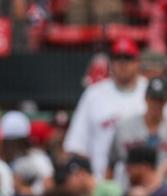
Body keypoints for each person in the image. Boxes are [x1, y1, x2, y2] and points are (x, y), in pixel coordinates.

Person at [65, 38, 155, 180]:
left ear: (138, 62)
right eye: (117, 58)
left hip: (144, 187)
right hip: (101, 183)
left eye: (128, 58)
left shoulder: (152, 91)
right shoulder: (93, 94)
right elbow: (77, 146)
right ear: (111, 63)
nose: (122, 63)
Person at [110, 77, 167, 187]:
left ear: (166, 101)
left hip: (165, 192)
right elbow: (111, 164)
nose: (156, 104)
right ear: (146, 98)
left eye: (160, 100)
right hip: (129, 191)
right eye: (153, 99)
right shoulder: (125, 127)